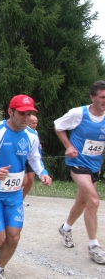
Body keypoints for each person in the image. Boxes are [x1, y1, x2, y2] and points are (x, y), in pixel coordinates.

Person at [0, 94, 52, 278]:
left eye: (29, 113)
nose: (26, 118)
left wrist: (43, 173)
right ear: (10, 111)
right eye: (22, 113)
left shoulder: (32, 135)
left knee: (14, 235)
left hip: (14, 193)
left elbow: (35, 159)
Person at [54, 80, 105, 264]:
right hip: (77, 163)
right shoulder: (78, 113)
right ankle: (94, 246)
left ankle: (65, 228)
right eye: (102, 97)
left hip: (94, 165)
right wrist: (68, 146)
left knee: (83, 202)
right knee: (93, 200)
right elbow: (58, 126)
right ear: (93, 97)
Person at [22, 115, 39, 206]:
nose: (35, 125)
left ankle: (22, 198)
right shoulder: (23, 130)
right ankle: (13, 197)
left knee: (31, 179)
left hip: (31, 159)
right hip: (22, 157)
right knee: (24, 181)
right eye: (33, 123)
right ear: (28, 122)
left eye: (36, 123)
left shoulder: (35, 132)